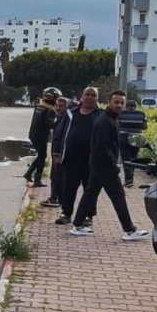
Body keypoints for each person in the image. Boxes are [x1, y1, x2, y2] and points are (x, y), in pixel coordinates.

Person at [70, 90, 150, 241]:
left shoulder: (111, 119)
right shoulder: (104, 121)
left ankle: (78, 224)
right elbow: (101, 147)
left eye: (121, 103)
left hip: (99, 164)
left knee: (90, 193)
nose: (119, 105)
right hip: (104, 165)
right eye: (116, 102)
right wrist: (113, 165)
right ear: (109, 102)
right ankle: (129, 230)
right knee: (118, 195)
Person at [55, 87, 101, 226]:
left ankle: (88, 215)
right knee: (68, 187)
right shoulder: (71, 114)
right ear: (82, 96)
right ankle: (66, 213)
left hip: (91, 161)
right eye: (87, 94)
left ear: (97, 99)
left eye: (93, 95)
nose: (90, 97)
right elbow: (59, 134)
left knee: (90, 189)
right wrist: (56, 152)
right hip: (70, 159)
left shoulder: (100, 116)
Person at [23, 87, 61, 187]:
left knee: (41, 155)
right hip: (41, 135)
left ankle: (29, 173)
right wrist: (59, 123)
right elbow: (49, 124)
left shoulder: (40, 105)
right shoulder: (50, 109)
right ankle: (37, 179)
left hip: (33, 134)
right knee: (42, 157)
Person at [40, 97, 69, 208]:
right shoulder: (59, 117)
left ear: (66, 107)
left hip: (59, 153)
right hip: (55, 151)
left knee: (57, 176)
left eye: (61, 106)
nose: (58, 108)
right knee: (55, 176)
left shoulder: (66, 119)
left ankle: (55, 198)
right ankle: (55, 197)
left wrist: (59, 152)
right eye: (57, 105)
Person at [118, 99, 148, 187]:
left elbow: (117, 125)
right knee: (133, 159)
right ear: (135, 106)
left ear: (126, 106)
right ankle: (131, 178)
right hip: (137, 138)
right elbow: (145, 127)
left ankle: (129, 180)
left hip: (123, 137)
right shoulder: (141, 114)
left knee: (126, 159)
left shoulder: (121, 114)